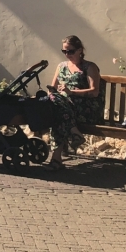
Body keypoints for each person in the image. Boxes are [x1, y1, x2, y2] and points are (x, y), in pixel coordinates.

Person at [46, 35, 102, 169]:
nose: (67, 54)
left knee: (58, 114)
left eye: (70, 51)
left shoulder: (89, 67)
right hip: (66, 107)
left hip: (86, 108)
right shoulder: (61, 66)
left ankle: (56, 160)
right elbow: (52, 89)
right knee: (56, 107)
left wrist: (71, 92)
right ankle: (73, 132)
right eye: (64, 51)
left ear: (80, 50)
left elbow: (94, 92)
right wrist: (53, 93)